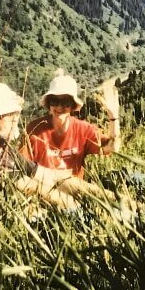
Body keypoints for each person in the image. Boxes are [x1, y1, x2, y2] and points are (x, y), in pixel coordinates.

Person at [19, 69, 122, 207]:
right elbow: (21, 169)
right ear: (49, 104)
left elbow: (112, 147)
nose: (59, 107)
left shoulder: (83, 129)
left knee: (113, 200)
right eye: (55, 101)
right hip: (43, 195)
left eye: (66, 102)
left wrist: (113, 117)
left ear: (73, 105)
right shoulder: (34, 129)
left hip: (75, 191)